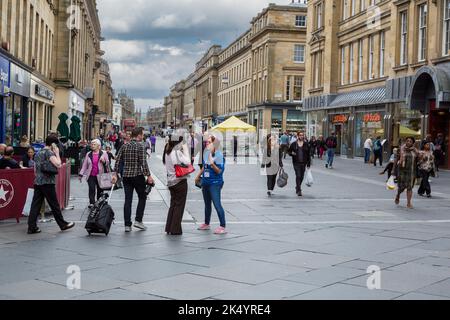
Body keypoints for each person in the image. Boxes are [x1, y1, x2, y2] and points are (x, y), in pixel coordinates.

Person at [27, 135, 75, 234]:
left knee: (35, 205)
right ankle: (62, 224)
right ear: (53, 144)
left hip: (38, 182)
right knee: (54, 205)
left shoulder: (38, 153)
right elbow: (58, 164)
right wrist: (57, 153)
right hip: (48, 182)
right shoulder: (49, 153)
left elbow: (35, 169)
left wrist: (38, 177)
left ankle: (32, 227)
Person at [113, 128, 154, 232]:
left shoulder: (124, 146)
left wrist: (115, 173)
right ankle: (138, 221)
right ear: (139, 135)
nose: (143, 137)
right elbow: (144, 164)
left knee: (128, 200)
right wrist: (148, 176)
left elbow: (117, 160)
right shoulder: (141, 146)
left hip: (126, 176)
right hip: (137, 175)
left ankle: (127, 225)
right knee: (142, 197)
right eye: (142, 135)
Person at [195, 135, 227, 235]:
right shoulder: (206, 153)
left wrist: (212, 163)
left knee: (217, 204)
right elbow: (204, 167)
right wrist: (198, 176)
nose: (206, 144)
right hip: (206, 182)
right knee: (207, 204)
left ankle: (222, 226)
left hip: (215, 183)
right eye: (206, 142)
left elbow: (220, 171)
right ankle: (206, 223)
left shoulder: (219, 155)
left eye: (209, 142)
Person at [163, 135, 191, 235]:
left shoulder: (167, 152)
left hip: (171, 182)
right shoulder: (177, 152)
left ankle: (169, 227)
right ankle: (175, 229)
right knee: (179, 206)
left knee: (173, 205)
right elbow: (188, 162)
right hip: (179, 181)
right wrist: (186, 150)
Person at [79, 139, 110, 205]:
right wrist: (81, 174)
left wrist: (104, 161)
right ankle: (92, 203)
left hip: (100, 176)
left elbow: (107, 163)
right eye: (91, 144)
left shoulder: (104, 153)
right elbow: (84, 165)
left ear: (99, 146)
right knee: (91, 189)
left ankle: (99, 203)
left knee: (100, 190)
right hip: (91, 175)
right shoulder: (88, 154)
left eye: (94, 144)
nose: (92, 145)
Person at [393, 137, 419, 209]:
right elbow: (396, 159)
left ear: (412, 143)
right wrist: (393, 170)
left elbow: (419, 158)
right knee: (401, 187)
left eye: (410, 141)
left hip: (411, 172)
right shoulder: (401, 149)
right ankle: (398, 195)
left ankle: (408, 203)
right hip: (402, 171)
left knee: (409, 187)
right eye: (407, 141)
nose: (408, 142)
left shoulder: (415, 151)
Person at [288, 132, 311, 197]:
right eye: (300, 135)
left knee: (302, 176)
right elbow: (289, 151)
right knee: (298, 175)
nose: (301, 136)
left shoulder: (306, 144)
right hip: (296, 162)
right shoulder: (294, 144)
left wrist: (308, 163)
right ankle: (299, 190)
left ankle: (297, 186)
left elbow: (308, 154)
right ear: (298, 136)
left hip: (304, 163)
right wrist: (292, 153)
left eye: (302, 135)